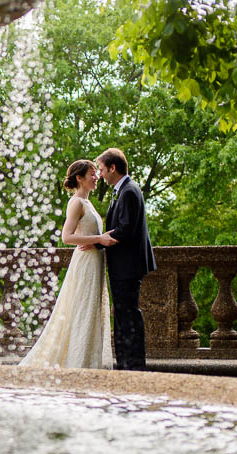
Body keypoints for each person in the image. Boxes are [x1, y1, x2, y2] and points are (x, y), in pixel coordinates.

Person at [19, 160, 117, 370]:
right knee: (82, 309)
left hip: (94, 262)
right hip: (85, 263)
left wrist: (99, 239)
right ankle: (77, 363)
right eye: (92, 174)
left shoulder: (88, 203)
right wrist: (98, 239)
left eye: (95, 173)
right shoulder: (76, 203)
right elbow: (66, 237)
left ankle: (88, 361)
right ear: (79, 178)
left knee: (90, 310)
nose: (96, 177)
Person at [88, 148, 156, 370]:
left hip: (128, 266)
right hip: (124, 266)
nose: (100, 174)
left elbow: (125, 229)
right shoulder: (124, 189)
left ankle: (132, 366)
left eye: (101, 169)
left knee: (128, 316)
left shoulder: (128, 191)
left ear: (112, 167)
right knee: (124, 314)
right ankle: (127, 363)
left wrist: (96, 242)